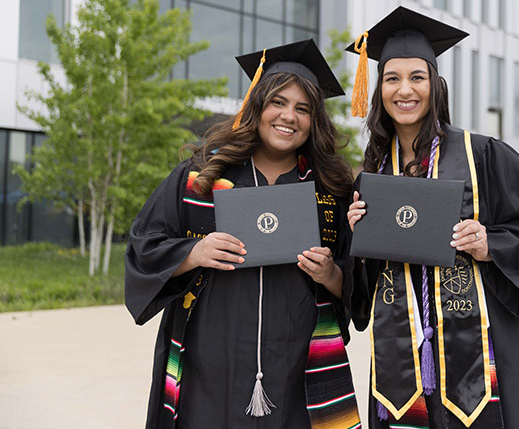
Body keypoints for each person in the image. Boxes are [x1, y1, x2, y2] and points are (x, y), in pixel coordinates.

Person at [346, 7, 519, 428]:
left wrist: (490, 244)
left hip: (484, 349)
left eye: (417, 77)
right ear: (379, 90)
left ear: (435, 85)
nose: (404, 90)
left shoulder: (480, 154)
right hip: (401, 358)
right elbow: (365, 284)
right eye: (392, 79)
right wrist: (359, 238)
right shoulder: (372, 175)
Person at [125, 40, 361, 428]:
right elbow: (144, 246)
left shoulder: (329, 191)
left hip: (300, 367)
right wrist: (195, 252)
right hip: (208, 363)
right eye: (278, 103)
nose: (289, 116)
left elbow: (355, 281)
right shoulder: (200, 178)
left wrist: (329, 274)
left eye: (303, 108)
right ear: (257, 106)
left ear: (314, 120)